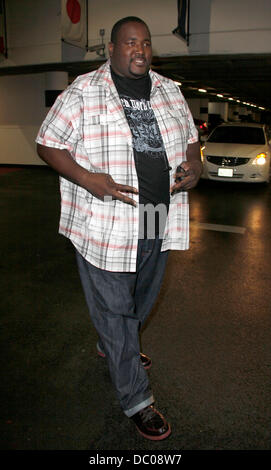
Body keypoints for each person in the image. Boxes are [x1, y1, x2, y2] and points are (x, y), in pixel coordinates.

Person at [36, 16, 202, 441]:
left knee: (142, 292)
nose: (140, 50)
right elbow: (47, 142)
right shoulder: (84, 91)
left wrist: (195, 162)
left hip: (155, 216)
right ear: (111, 49)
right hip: (105, 222)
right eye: (130, 43)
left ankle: (115, 340)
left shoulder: (168, 89)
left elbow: (188, 138)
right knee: (115, 309)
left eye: (145, 42)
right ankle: (137, 399)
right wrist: (89, 179)